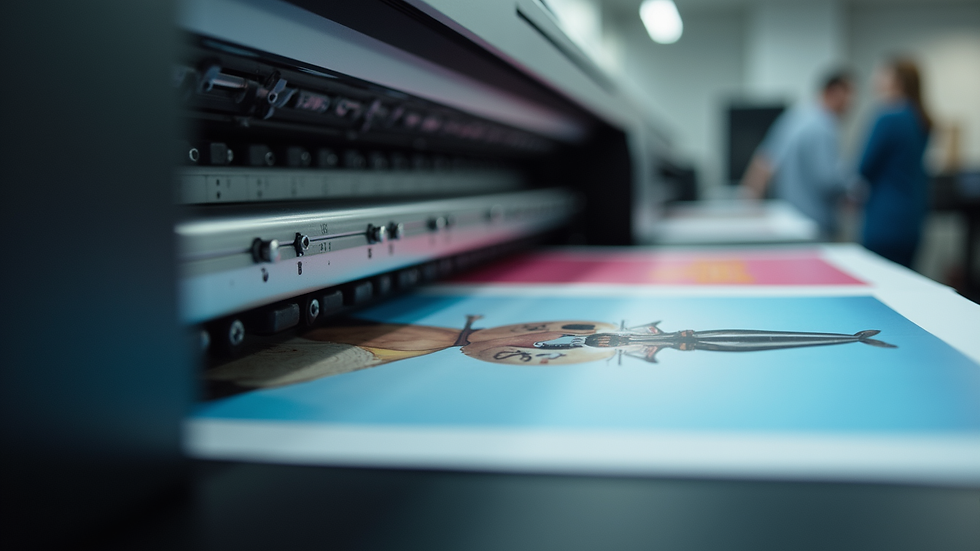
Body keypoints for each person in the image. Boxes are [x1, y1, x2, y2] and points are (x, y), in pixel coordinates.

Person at [741, 70, 857, 238]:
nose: (851, 104)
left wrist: (749, 206)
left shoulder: (795, 116)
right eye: (848, 96)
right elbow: (829, 181)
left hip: (790, 222)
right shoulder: (825, 126)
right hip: (817, 226)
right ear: (833, 92)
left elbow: (763, 162)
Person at [858, 58, 932, 268]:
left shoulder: (888, 116)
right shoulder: (919, 118)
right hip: (912, 218)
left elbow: (863, 168)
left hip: (885, 219)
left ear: (896, 81)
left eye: (882, 74)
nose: (875, 79)